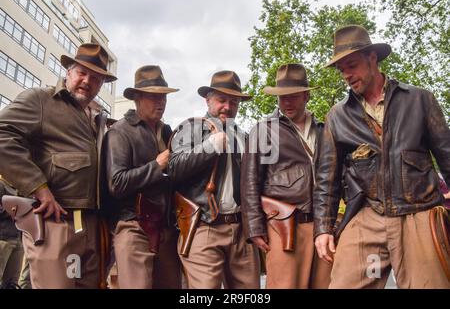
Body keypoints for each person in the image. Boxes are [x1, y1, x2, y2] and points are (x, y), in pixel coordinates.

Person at [313, 25, 450, 288]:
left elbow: (447, 157)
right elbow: (325, 180)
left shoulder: (419, 100)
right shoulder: (337, 116)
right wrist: (323, 229)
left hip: (418, 213)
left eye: (351, 65)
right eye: (341, 70)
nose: (346, 75)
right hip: (368, 216)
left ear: (372, 58)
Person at [0, 43, 116, 288]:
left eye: (96, 78)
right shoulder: (40, 100)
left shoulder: (97, 117)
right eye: (81, 73)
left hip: (90, 225)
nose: (87, 81)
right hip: (53, 222)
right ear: (68, 72)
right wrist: (38, 187)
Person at [241, 63, 331, 288]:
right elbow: (249, 181)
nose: (287, 102)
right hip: (283, 227)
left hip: (323, 225)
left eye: (292, 96)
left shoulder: (324, 129)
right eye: (282, 97)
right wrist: (254, 227)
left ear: (306, 95)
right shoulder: (264, 130)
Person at [168, 70, 260, 289]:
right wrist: (209, 147)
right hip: (204, 226)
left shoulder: (244, 136)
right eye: (221, 100)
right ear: (208, 100)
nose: (227, 107)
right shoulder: (190, 128)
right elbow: (173, 169)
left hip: (241, 230)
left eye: (234, 102)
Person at [103, 65, 181, 289]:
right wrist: (157, 165)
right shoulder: (120, 131)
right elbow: (116, 183)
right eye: (153, 96)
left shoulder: (168, 132)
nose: (161, 102)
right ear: (137, 98)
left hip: (166, 229)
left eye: (163, 97)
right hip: (134, 226)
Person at [0, 176, 22, 288]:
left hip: (17, 239)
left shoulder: (18, 188)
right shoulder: (1, 185)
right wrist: (14, 211)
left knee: (12, 282)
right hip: (3, 238)